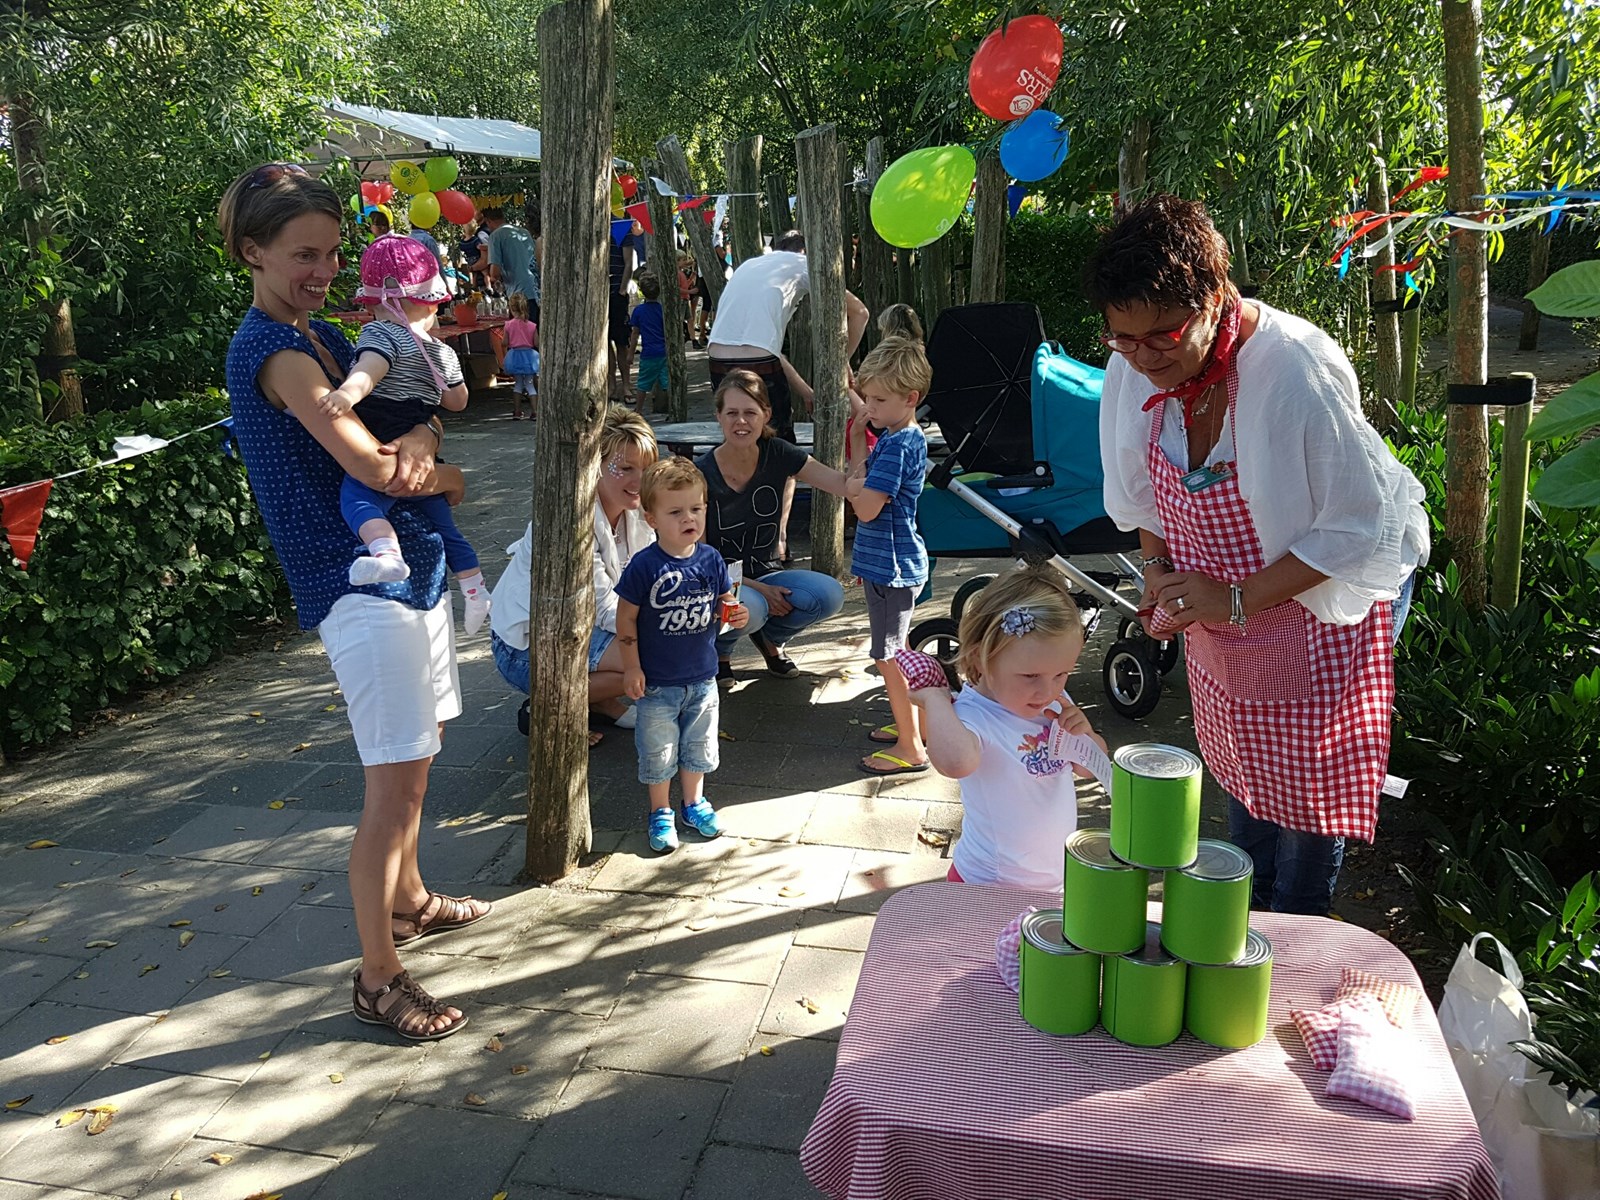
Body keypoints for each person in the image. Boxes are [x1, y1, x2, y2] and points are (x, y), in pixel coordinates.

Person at [1090, 194, 1428, 916]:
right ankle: (1242, 906)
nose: (1144, 358)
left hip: (1329, 594)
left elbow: (1354, 529)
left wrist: (1234, 599)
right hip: (1228, 606)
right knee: (1243, 756)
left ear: (1214, 298)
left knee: (1306, 784)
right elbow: (1141, 491)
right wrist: (1158, 574)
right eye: (1124, 339)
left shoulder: (1292, 372)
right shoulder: (1135, 362)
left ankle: (1296, 923)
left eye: (1162, 337)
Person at [220, 162, 488, 1042]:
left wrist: (424, 435)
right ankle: (378, 977)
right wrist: (438, 472)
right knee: (395, 788)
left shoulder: (335, 336)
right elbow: (373, 469)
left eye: (333, 254)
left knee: (423, 748)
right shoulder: (279, 353)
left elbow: (416, 411)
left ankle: (408, 899)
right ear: (251, 251)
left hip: (404, 569)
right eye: (303, 253)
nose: (322, 271)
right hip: (355, 583)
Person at [314, 234, 490, 634]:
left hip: (380, 436)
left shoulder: (380, 335)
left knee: (357, 500)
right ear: (429, 301)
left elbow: (369, 371)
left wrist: (346, 394)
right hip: (422, 441)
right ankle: (476, 590)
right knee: (446, 528)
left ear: (375, 302)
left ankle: (386, 552)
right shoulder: (441, 351)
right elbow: (458, 401)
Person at [908, 566, 1108, 889]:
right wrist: (936, 701)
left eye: (1062, 674)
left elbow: (1090, 769)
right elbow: (955, 762)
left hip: (1054, 881)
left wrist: (1086, 736)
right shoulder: (973, 714)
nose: (1048, 690)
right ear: (981, 659)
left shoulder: (1055, 701)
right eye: (1031, 677)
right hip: (988, 884)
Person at [488, 405, 659, 743]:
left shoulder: (637, 514)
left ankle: (600, 703)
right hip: (526, 646)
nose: (639, 481)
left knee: (661, 646)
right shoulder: (572, 521)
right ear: (595, 466)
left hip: (583, 624)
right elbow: (608, 607)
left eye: (646, 468)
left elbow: (648, 580)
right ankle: (549, 707)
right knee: (656, 657)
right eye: (624, 468)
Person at [615, 457, 748, 852]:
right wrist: (631, 667)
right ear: (651, 517)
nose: (688, 518)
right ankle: (660, 811)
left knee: (698, 747)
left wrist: (734, 611)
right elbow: (626, 620)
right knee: (658, 751)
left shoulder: (709, 559)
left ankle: (694, 803)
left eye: (696, 508)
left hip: (703, 678)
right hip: (658, 683)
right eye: (675, 512)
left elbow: (725, 598)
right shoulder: (644, 566)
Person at [697, 369, 848, 681]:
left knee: (829, 594)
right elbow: (700, 557)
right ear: (719, 417)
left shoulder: (778, 452)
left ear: (765, 414)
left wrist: (859, 433)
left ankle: (771, 641)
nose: (741, 422)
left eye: (750, 412)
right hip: (720, 581)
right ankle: (721, 652)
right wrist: (761, 589)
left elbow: (843, 485)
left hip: (767, 569)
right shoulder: (700, 473)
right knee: (751, 607)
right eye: (732, 413)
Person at [845, 336, 932, 777]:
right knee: (898, 649)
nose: (870, 406)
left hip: (892, 567)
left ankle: (911, 746)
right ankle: (912, 725)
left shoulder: (898, 446)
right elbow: (862, 478)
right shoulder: (898, 436)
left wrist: (853, 490)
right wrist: (860, 439)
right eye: (868, 396)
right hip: (888, 564)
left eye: (879, 399)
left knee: (889, 654)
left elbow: (865, 505)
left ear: (910, 398)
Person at [706, 230, 870, 444]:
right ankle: (783, 477)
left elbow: (770, 351)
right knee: (778, 442)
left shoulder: (749, 265)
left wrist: (807, 393)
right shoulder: (804, 264)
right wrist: (842, 360)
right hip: (760, 359)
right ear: (806, 252)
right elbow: (860, 313)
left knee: (738, 435)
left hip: (717, 356)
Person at [483, 205, 539, 314]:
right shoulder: (524, 232)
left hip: (518, 294)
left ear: (488, 221)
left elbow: (494, 273)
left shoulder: (495, 236)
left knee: (521, 330)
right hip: (535, 288)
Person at [607, 217, 639, 400]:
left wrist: (622, 289)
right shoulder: (590, 222)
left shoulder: (621, 226)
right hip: (597, 293)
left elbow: (629, 262)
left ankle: (626, 385)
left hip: (617, 291)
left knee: (621, 341)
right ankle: (611, 385)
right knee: (604, 343)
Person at [629, 273, 669, 413]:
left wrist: (630, 354)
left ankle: (638, 409)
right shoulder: (663, 310)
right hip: (664, 352)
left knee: (643, 383)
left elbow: (635, 334)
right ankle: (673, 406)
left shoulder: (639, 311)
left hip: (648, 353)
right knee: (667, 382)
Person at [502, 291, 539, 421]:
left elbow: (504, 342)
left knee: (518, 384)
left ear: (511, 308)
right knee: (530, 384)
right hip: (529, 356)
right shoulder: (532, 326)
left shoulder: (508, 325)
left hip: (515, 355)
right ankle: (535, 412)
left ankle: (517, 411)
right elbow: (537, 343)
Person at [458, 218, 489, 291]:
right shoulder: (475, 240)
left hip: (469, 259)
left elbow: (461, 248)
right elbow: (479, 247)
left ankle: (473, 285)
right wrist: (486, 247)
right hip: (477, 258)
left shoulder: (462, 242)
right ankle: (488, 286)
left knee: (474, 274)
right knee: (485, 273)